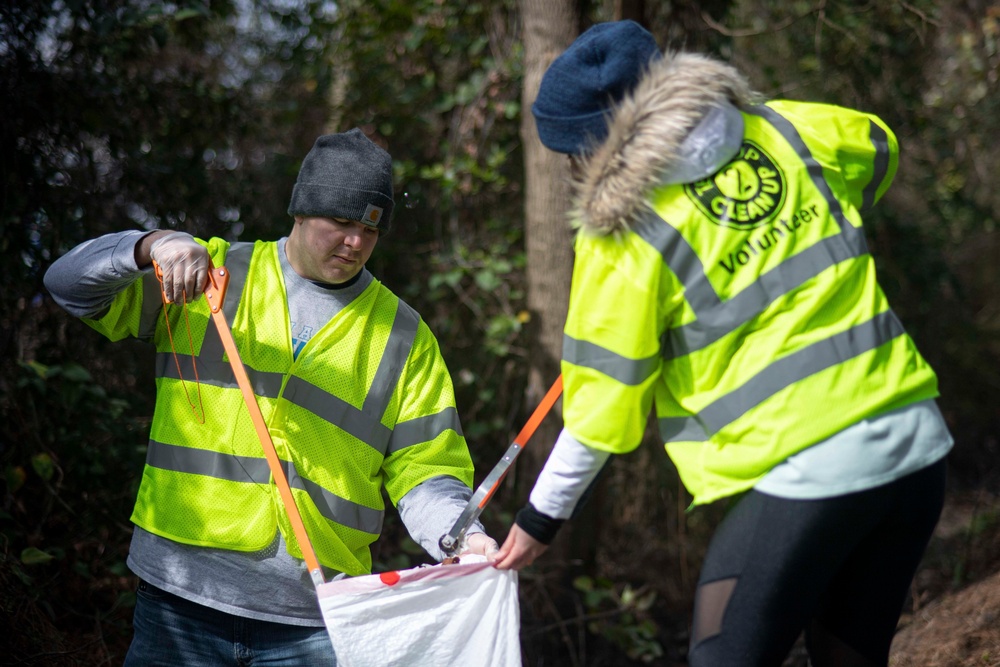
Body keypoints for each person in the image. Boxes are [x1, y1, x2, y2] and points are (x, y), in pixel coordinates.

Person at [492, 20, 953, 667]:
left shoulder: (622, 237)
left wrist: (539, 519)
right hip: (916, 447)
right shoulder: (789, 129)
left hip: (811, 470)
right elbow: (877, 147)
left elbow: (600, 414)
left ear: (592, 146)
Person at [44, 128, 499, 666]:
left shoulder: (404, 336)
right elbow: (66, 284)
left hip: (313, 621)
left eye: (370, 230)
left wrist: (464, 537)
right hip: (180, 598)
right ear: (301, 212)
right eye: (342, 223)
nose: (355, 242)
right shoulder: (209, 275)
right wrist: (149, 246)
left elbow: (427, 470)